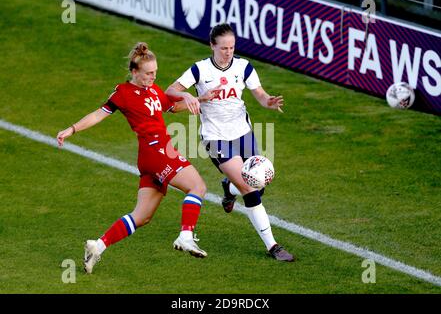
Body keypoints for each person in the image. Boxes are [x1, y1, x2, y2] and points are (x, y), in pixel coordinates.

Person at [57, 42, 208, 274]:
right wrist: (72, 129)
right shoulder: (123, 93)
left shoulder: (155, 90)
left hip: (149, 158)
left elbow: (170, 108)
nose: (153, 76)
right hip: (157, 152)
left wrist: (202, 99)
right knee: (197, 186)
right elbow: (99, 114)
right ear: (134, 71)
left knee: (142, 216)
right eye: (148, 73)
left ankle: (97, 246)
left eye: (155, 72)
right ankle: (185, 236)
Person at [165, 23, 295, 262]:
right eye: (223, 48)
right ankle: (273, 246)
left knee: (259, 183)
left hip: (243, 133)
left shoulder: (244, 67)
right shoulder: (200, 70)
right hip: (215, 137)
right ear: (212, 46)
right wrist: (188, 95)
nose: (228, 52)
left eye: (232, 47)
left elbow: (261, 96)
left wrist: (270, 102)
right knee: (250, 189)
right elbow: (170, 91)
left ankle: (228, 188)